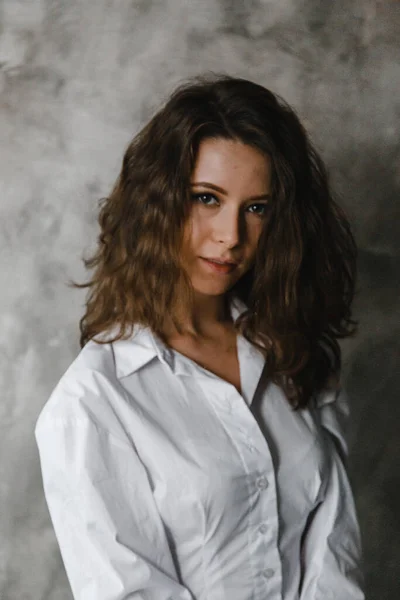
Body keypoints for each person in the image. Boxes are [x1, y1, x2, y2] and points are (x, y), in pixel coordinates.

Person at [35, 73, 365, 600]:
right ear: (158, 203)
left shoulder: (293, 351)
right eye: (206, 198)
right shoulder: (93, 405)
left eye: (256, 208)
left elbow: (334, 554)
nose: (230, 236)